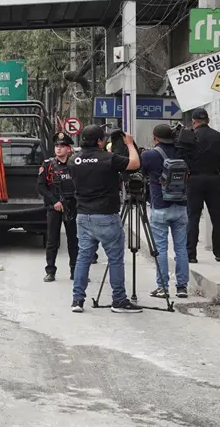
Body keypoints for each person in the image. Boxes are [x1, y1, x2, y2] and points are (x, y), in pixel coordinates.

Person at [69, 125, 142, 313]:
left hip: (83, 216)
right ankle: (118, 300)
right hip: (106, 216)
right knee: (115, 259)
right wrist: (130, 144)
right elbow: (134, 164)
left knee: (83, 258)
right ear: (100, 141)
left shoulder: (72, 160)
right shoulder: (108, 159)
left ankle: (77, 300)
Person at [140, 124, 190, 299]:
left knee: (161, 248)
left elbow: (141, 173)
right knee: (181, 248)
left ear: (155, 138)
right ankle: (182, 287)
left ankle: (162, 288)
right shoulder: (183, 153)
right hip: (182, 205)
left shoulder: (149, 155)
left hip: (160, 207)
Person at [186, 108, 220, 263]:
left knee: (193, 217)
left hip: (193, 180)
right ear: (208, 120)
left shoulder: (189, 137)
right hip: (214, 180)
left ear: (193, 121)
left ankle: (191, 254)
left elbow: (179, 158)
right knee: (217, 217)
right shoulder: (219, 137)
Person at [38, 132, 81, 282]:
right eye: (57, 146)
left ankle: (75, 271)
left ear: (69, 149)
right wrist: (54, 201)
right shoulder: (48, 165)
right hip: (54, 207)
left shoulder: (75, 163)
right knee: (52, 240)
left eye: (62, 146)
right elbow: (41, 187)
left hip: (72, 205)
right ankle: (50, 271)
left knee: (73, 240)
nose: (59, 148)